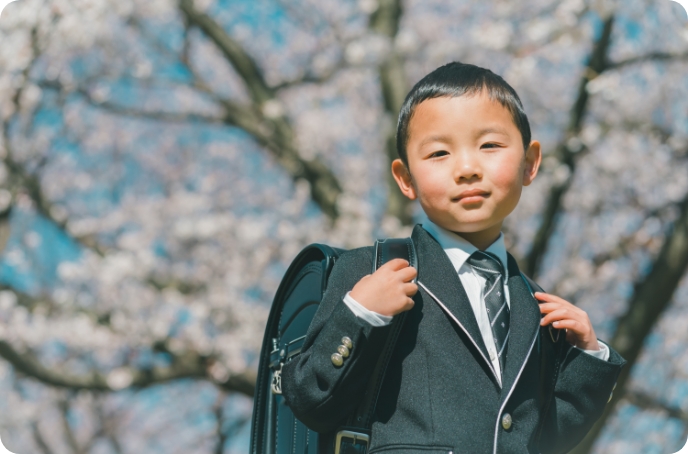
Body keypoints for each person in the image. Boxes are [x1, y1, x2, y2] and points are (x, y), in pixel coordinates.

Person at [281, 61, 626, 454]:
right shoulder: (374, 271)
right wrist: (361, 314)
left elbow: (539, 438)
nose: (467, 168)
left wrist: (587, 358)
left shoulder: (535, 304)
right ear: (406, 178)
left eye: (490, 145)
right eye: (439, 153)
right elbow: (309, 399)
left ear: (530, 163)